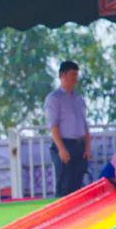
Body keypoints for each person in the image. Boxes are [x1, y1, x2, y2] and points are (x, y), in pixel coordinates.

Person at [45, 61, 91, 197]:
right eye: (72, 75)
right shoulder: (54, 98)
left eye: (76, 75)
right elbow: (53, 125)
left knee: (77, 185)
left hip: (79, 145)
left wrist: (87, 146)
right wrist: (61, 148)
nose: (75, 79)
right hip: (64, 144)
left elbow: (84, 124)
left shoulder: (79, 99)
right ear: (62, 75)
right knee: (64, 185)